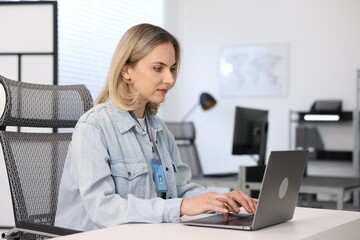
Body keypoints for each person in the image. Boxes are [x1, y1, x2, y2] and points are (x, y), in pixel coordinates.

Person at [55, 23, 257, 231]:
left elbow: (179, 189)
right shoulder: (94, 127)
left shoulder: (159, 129)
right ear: (126, 70)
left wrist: (219, 200)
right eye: (158, 68)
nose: (169, 79)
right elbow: (103, 209)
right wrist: (180, 207)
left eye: (172, 69)